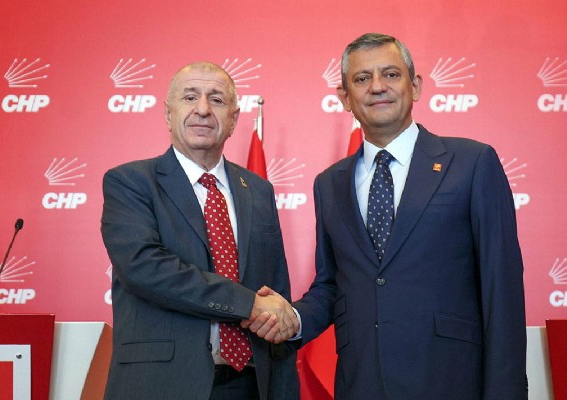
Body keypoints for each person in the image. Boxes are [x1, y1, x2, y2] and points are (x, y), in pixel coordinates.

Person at [249, 33, 528, 399]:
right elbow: (333, 285)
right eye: (362, 78)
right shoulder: (329, 184)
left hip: (450, 381)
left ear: (416, 86)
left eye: (391, 74)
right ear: (344, 98)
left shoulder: (472, 163)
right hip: (361, 383)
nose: (377, 86)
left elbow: (501, 288)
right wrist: (294, 318)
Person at [100, 61, 299, 400]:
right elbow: (145, 269)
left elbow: (275, 290)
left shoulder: (258, 190)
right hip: (162, 385)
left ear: (233, 119)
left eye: (217, 100)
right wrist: (249, 304)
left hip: (250, 384)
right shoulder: (130, 182)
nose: (203, 109)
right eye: (190, 97)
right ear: (168, 113)